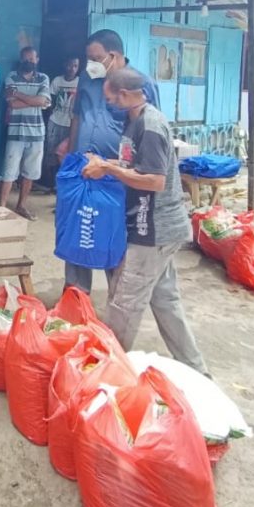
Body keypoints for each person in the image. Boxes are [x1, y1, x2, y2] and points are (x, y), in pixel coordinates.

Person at [81, 67, 208, 373]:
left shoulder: (150, 126)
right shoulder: (133, 119)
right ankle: (197, 370)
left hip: (154, 229)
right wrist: (105, 161)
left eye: (111, 99)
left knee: (124, 303)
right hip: (152, 226)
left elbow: (154, 180)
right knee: (165, 301)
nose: (109, 104)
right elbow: (134, 163)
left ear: (125, 94)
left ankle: (103, 373)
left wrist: (108, 170)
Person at [62, 29, 161, 294]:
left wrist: (123, 167)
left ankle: (117, 294)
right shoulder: (87, 78)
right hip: (83, 166)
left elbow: (148, 131)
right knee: (78, 227)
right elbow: (78, 116)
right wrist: (71, 151)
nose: (90, 64)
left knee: (111, 231)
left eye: (96, 58)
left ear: (113, 56)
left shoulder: (141, 84)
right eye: (89, 59)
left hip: (116, 172)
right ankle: (75, 294)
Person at [0, 46, 51, 220]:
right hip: (16, 132)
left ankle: (21, 206)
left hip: (37, 134)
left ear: (37, 60)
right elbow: (12, 104)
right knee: (9, 171)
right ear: (21, 60)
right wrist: (36, 101)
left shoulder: (43, 78)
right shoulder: (11, 76)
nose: (29, 62)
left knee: (30, 172)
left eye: (32, 59)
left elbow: (42, 100)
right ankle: (1, 208)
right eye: (26, 59)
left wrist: (17, 93)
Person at [42, 56, 80, 186]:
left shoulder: (80, 82)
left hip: (71, 124)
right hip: (55, 121)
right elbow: (50, 100)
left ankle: (63, 182)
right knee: (51, 152)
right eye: (70, 65)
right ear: (64, 65)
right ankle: (51, 182)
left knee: (66, 153)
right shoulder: (57, 81)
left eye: (75, 66)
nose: (72, 69)